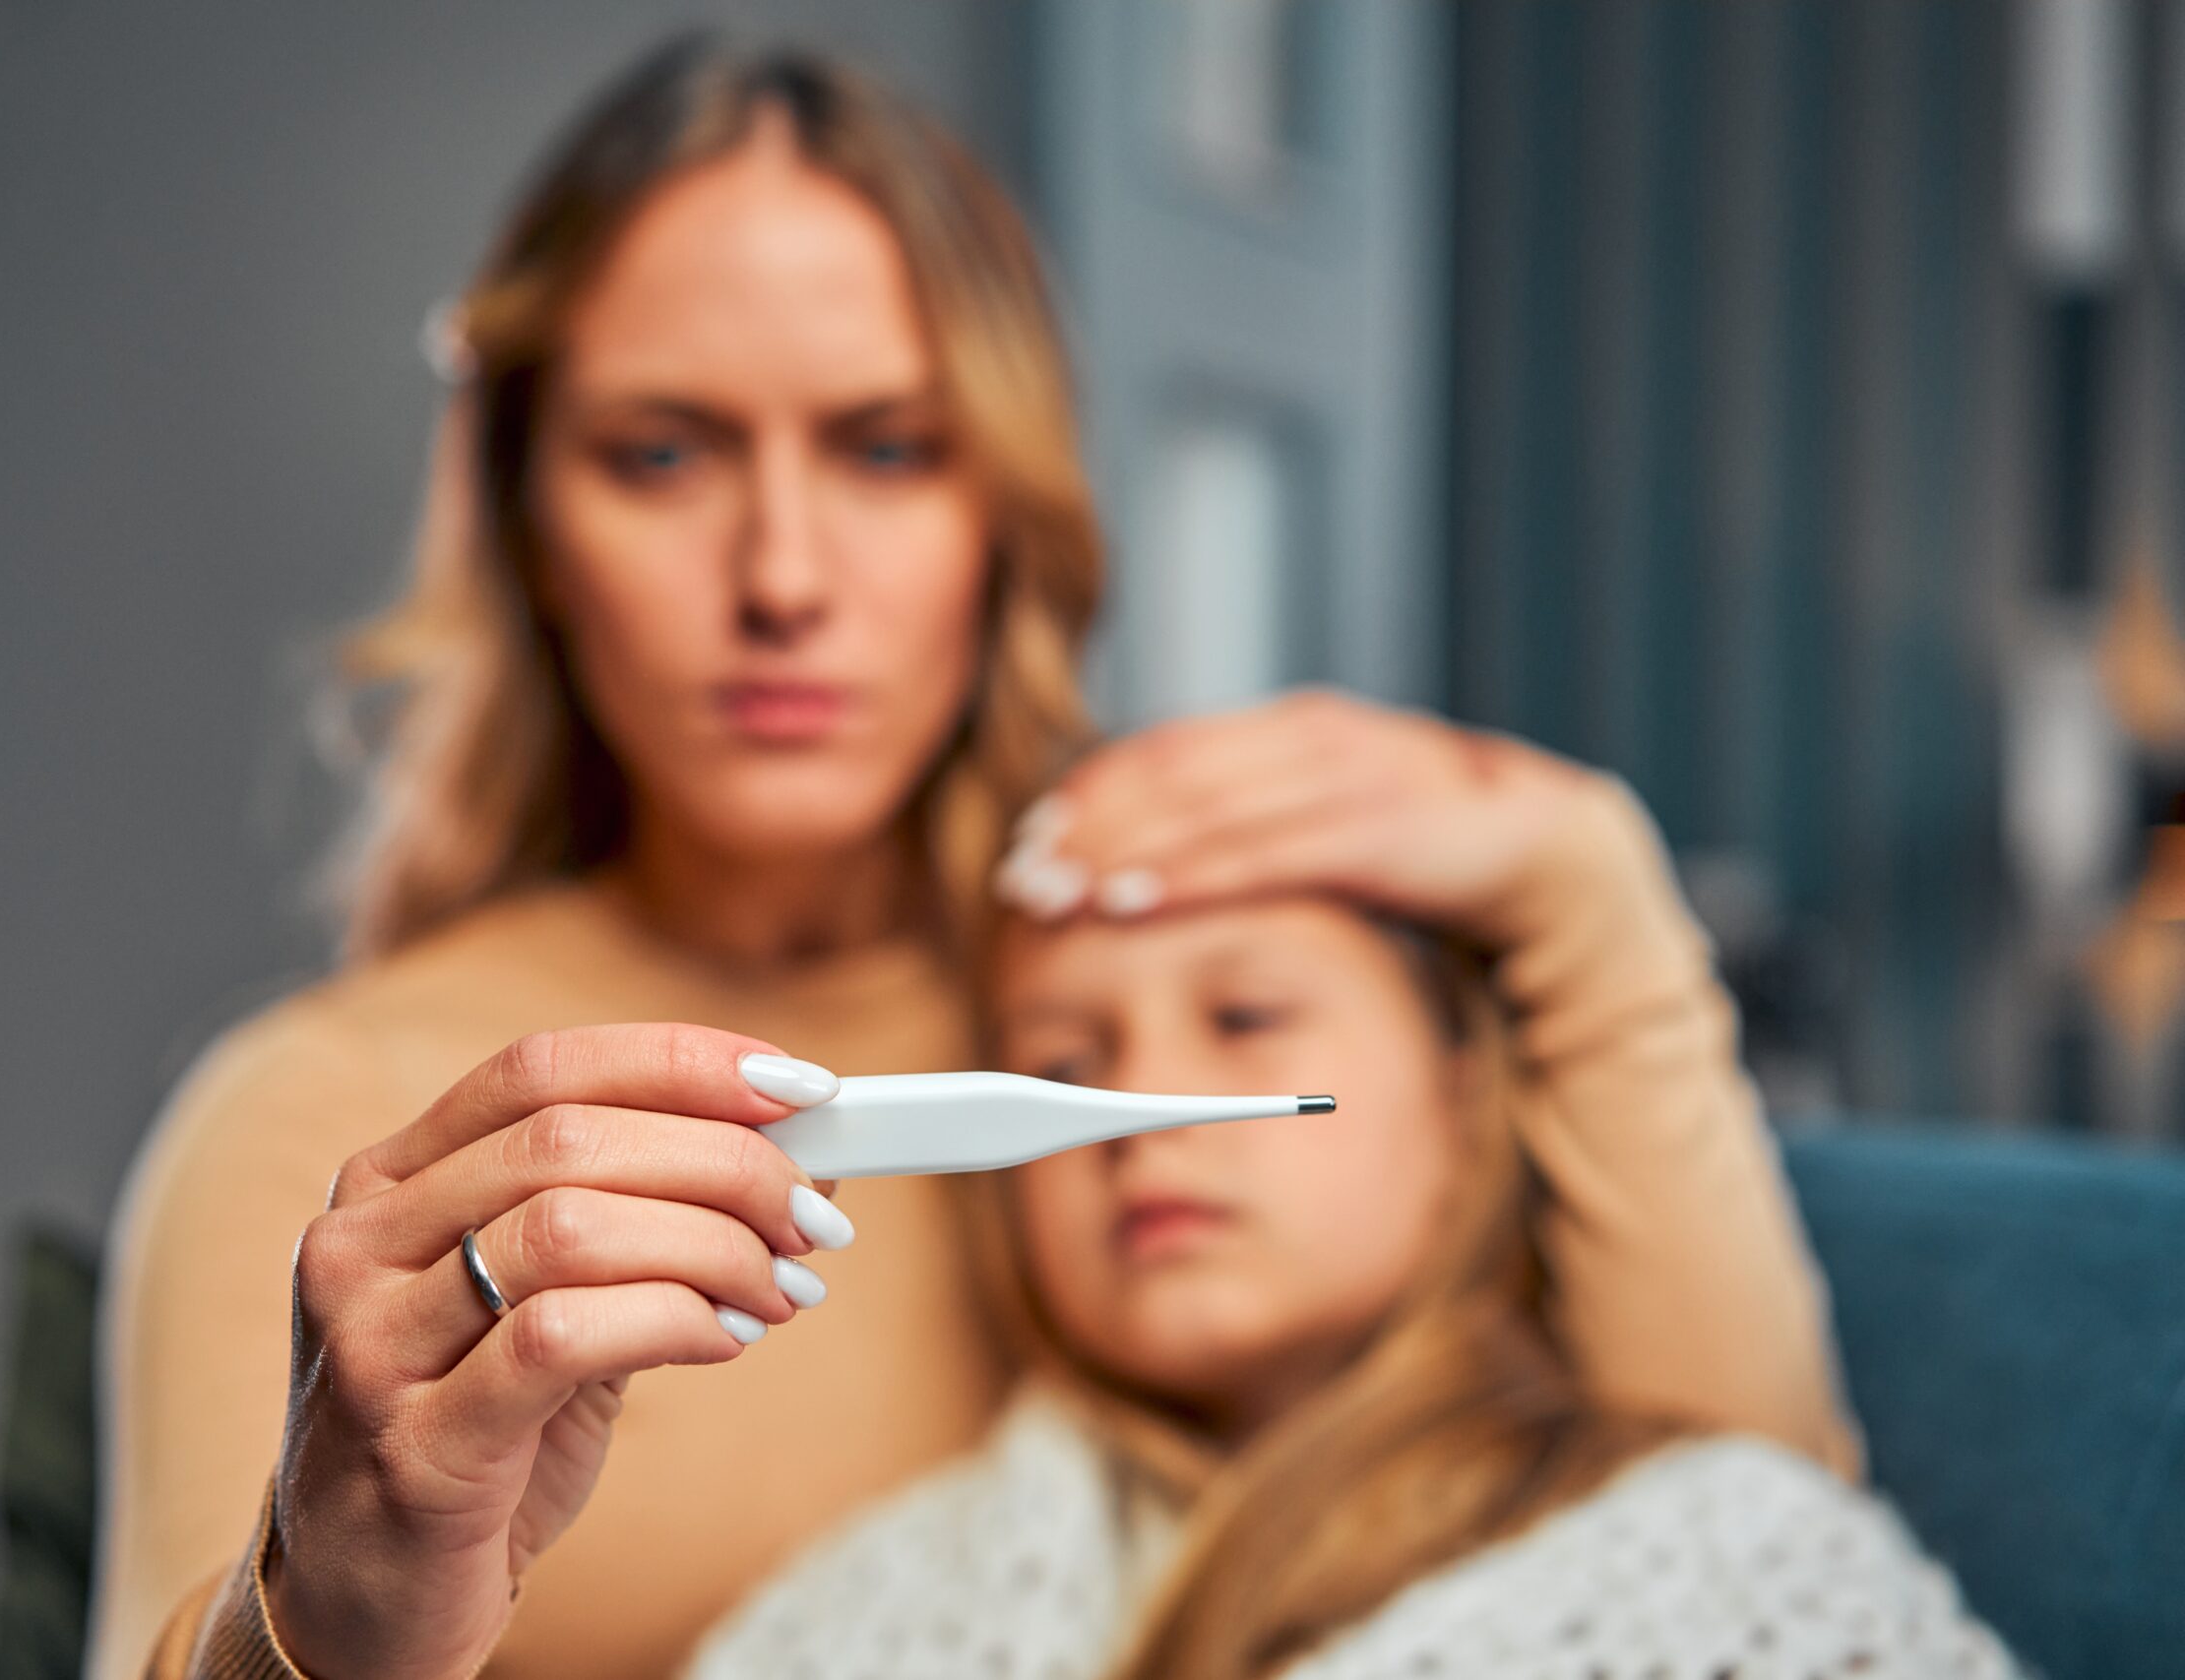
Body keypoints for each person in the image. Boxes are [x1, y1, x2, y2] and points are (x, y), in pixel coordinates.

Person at [95, 38, 1855, 1680]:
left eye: (885, 447)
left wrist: (1585, 888)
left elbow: (1739, 1562)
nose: (783, 573)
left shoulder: (1175, 979)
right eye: (660, 452)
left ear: (1004, 513)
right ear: (533, 525)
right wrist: (331, 1614)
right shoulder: (337, 1144)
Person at [688, 777, 2013, 1678]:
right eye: (1066, 1068)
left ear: (1463, 1102)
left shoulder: (1735, 1550)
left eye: (1248, 1019)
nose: (1145, 1123)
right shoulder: (864, 1611)